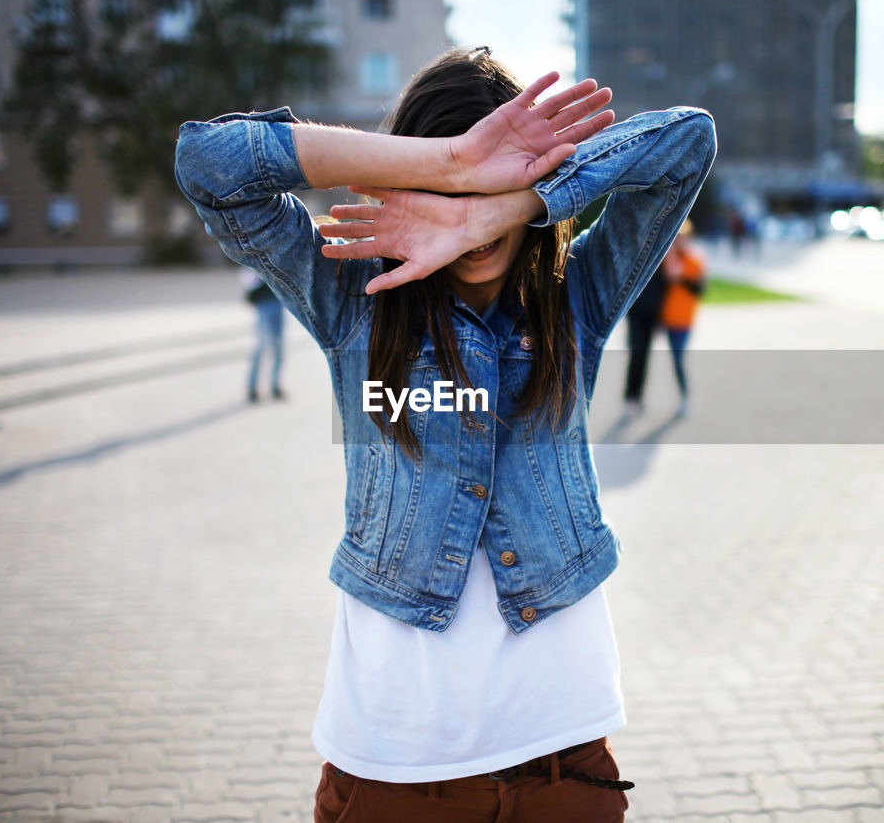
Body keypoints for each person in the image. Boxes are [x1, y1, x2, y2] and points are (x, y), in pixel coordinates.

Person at [175, 46, 716, 822]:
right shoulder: (351, 296)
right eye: (450, 182)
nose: (471, 199)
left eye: (504, 174)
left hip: (562, 758)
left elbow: (686, 141)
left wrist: (506, 203)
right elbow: (209, 162)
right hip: (394, 764)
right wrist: (454, 160)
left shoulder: (576, 301)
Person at [658, 219, 707, 417]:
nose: (679, 241)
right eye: (677, 237)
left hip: (685, 319)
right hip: (669, 318)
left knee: (678, 358)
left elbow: (699, 289)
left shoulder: (693, 260)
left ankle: (686, 396)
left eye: (683, 237)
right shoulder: (669, 259)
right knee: (674, 358)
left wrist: (681, 278)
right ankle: (683, 395)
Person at [620, 263, 665, 420]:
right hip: (637, 314)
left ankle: (638, 396)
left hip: (652, 315)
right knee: (637, 354)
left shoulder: (661, 260)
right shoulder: (638, 260)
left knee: (645, 356)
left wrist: (661, 321)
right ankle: (631, 396)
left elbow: (663, 289)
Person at [239, 267, 286, 402]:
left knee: (279, 346)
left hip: (279, 300)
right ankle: (252, 387)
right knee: (261, 346)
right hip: (263, 303)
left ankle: (275, 385)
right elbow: (247, 278)